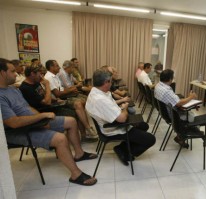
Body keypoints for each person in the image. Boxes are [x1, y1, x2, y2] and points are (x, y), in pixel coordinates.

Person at [0, 58, 97, 186]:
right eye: (12, 71)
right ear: (2, 73)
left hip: (34, 121)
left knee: (71, 121)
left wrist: (41, 117)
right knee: (60, 138)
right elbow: (12, 123)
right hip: (20, 130)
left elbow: (27, 108)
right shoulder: (1, 96)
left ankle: (79, 154)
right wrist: (41, 117)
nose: (16, 74)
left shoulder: (12, 89)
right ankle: (75, 174)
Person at [86, 69, 156, 166]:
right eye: (111, 81)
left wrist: (121, 104)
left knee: (143, 126)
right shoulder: (100, 99)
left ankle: (123, 147)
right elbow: (122, 118)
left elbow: (110, 105)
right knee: (151, 139)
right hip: (113, 128)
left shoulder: (96, 92)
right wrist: (124, 108)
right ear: (106, 82)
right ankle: (125, 152)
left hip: (113, 120)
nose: (111, 84)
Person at [44, 60, 98, 139]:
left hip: (62, 97)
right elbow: (57, 94)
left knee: (81, 105)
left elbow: (62, 90)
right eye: (57, 66)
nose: (59, 67)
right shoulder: (49, 77)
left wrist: (71, 89)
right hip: (56, 102)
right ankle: (87, 129)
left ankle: (85, 132)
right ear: (51, 67)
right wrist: (72, 89)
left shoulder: (54, 76)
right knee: (78, 105)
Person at [154, 69, 197, 148]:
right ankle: (183, 135)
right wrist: (191, 97)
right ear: (170, 79)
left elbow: (174, 100)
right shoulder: (166, 90)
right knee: (192, 117)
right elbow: (178, 103)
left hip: (165, 112)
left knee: (187, 109)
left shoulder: (158, 85)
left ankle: (184, 132)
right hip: (173, 115)